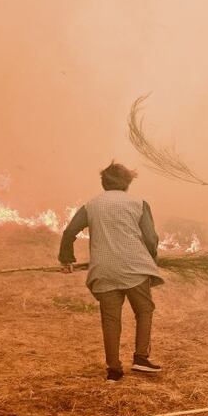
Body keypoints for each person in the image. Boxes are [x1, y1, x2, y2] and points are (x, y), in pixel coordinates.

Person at [59, 161, 164, 382]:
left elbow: (69, 232)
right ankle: (141, 358)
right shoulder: (139, 204)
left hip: (104, 270)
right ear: (127, 183)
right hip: (135, 268)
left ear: (104, 183)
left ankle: (114, 370)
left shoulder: (91, 205)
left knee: (110, 320)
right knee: (144, 310)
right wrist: (151, 258)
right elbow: (151, 239)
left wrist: (66, 258)